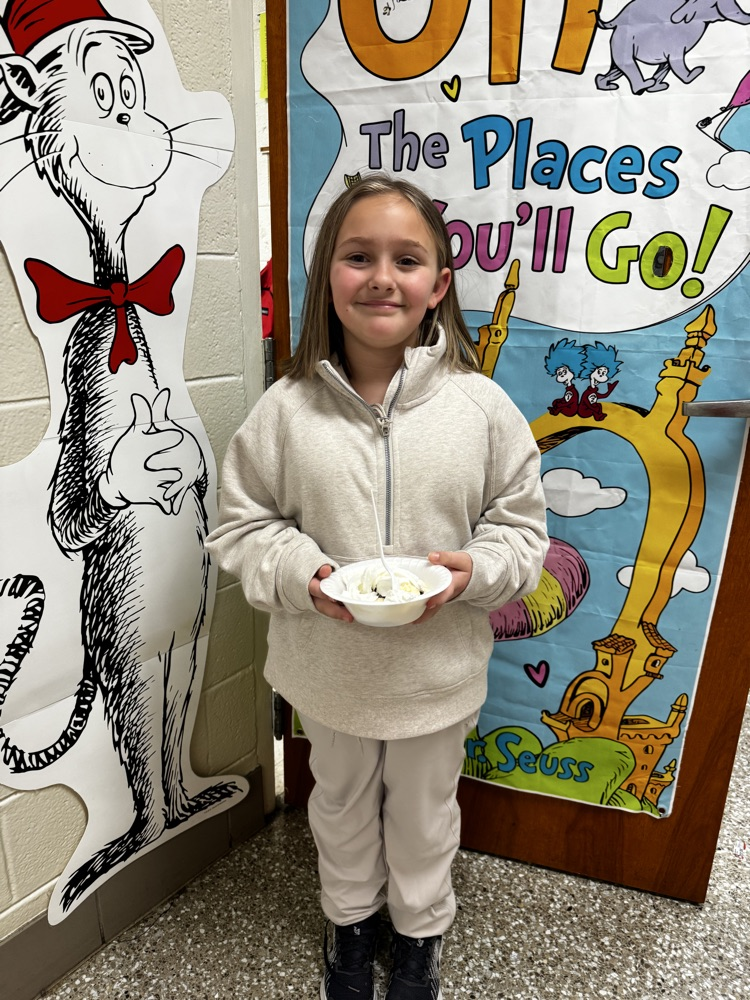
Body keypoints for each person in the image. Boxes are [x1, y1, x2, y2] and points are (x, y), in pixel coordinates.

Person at [206, 174, 549, 1000]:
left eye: (407, 259)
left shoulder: (483, 408)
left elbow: (522, 532)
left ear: (439, 286)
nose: (381, 277)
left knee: (426, 814)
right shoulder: (284, 412)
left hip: (437, 677)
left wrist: (478, 570)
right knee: (341, 804)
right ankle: (349, 920)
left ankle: (422, 932)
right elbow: (240, 528)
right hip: (330, 673)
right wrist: (302, 574)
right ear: (329, 274)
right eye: (359, 257)